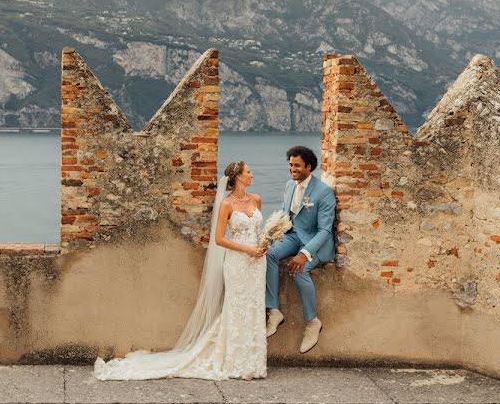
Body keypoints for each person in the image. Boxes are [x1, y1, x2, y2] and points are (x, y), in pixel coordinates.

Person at [93, 160, 267, 380]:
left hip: (257, 263)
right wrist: (246, 249)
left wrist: (263, 244)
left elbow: (258, 230)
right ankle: (236, 362)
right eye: (249, 172)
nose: (252, 175)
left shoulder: (257, 200)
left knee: (254, 307)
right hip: (237, 262)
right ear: (238, 177)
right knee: (237, 307)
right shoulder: (226, 205)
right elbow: (219, 239)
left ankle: (253, 362)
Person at [265, 146, 335, 353]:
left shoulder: (324, 192)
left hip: (315, 241)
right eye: (290, 165)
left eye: (296, 166)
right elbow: (289, 217)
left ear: (308, 167)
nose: (292, 169)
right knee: (269, 254)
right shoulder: (289, 185)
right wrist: (272, 235)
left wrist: (304, 254)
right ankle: (274, 310)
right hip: (293, 236)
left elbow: (324, 230)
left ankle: (312, 321)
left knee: (299, 269)